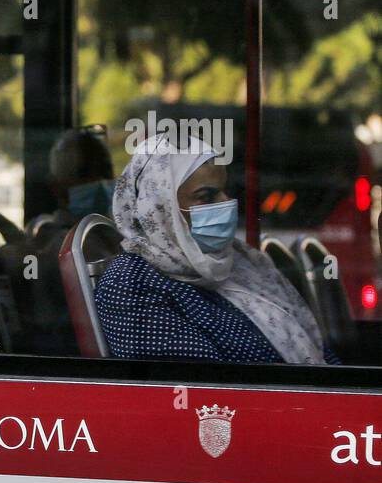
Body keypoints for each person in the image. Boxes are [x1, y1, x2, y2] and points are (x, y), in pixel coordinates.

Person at [95, 134, 335, 365]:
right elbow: (198, 388)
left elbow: (318, 348)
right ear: (160, 208)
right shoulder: (132, 283)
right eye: (206, 196)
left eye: (223, 190)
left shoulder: (242, 262)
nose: (225, 202)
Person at [49, 125, 115, 225]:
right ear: (56, 187)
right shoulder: (55, 238)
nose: (99, 181)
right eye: (84, 172)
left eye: (105, 171)